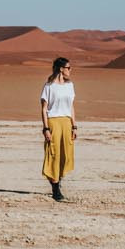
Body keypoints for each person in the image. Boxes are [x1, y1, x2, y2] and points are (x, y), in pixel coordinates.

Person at [40, 56, 76, 200]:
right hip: (53, 122)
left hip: (67, 122)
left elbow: (72, 106)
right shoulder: (49, 86)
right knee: (54, 154)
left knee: (65, 154)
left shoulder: (70, 85)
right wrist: (46, 128)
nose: (70, 70)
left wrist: (74, 126)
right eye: (68, 68)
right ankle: (55, 189)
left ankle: (58, 181)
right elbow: (44, 109)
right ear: (61, 69)